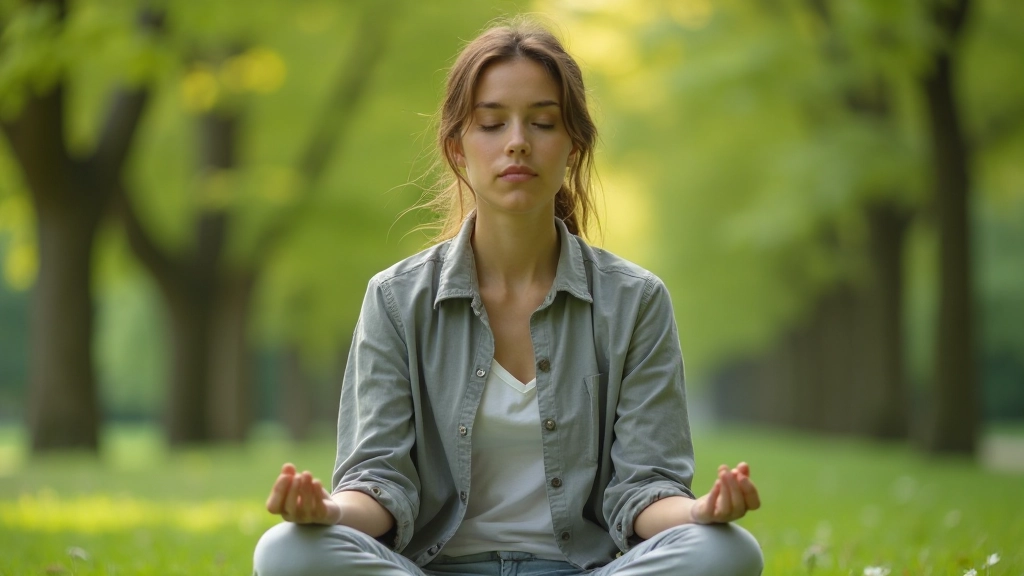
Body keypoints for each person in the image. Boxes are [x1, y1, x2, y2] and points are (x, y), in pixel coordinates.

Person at [254, 17, 763, 576]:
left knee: (728, 551)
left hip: (583, 570)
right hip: (434, 569)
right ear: (457, 147)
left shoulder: (635, 302)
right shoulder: (397, 301)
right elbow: (381, 482)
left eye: (542, 123)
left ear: (573, 145)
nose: (517, 142)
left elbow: (642, 488)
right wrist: (328, 511)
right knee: (284, 551)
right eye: (492, 124)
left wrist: (699, 512)